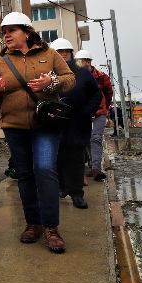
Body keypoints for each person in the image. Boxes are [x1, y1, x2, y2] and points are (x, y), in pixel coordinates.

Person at [0, 12, 75, 253]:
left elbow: (69, 78)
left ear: (26, 31)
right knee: (24, 175)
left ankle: (51, 228)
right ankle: (32, 224)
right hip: (15, 127)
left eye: (11, 31)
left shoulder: (49, 54)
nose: (6, 36)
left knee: (44, 169)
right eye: (4, 33)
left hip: (45, 125)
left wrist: (51, 83)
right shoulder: (1, 61)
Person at [51, 39, 101, 209]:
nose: (63, 54)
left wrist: (87, 110)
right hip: (55, 123)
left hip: (78, 124)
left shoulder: (82, 73)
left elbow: (96, 94)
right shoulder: (48, 73)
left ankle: (77, 194)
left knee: (76, 159)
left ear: (71, 53)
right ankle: (61, 187)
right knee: (57, 157)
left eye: (66, 51)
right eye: (59, 51)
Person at [76, 49, 114, 181]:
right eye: (81, 61)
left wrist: (105, 107)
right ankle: (92, 163)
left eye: (86, 61)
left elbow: (109, 93)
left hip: (99, 112)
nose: (84, 63)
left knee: (95, 137)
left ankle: (96, 168)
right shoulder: (74, 76)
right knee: (86, 139)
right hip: (83, 113)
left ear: (89, 62)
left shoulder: (101, 76)